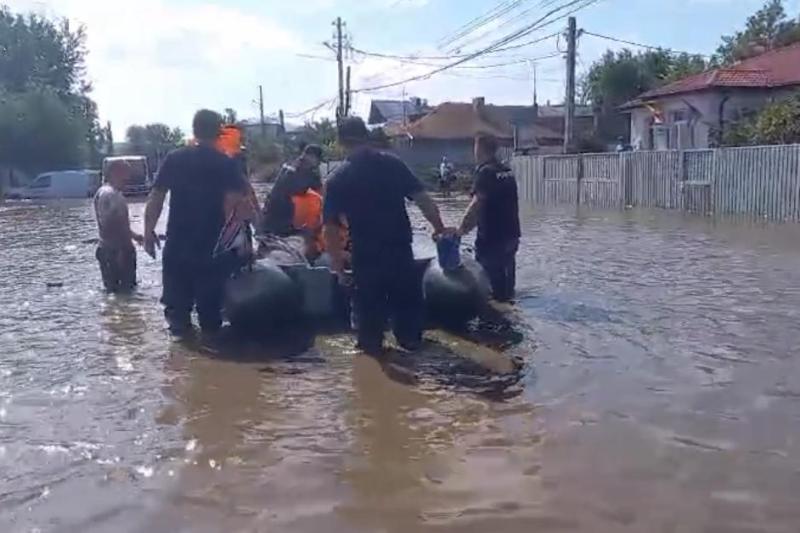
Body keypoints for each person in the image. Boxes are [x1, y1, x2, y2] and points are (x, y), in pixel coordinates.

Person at [323, 116, 452, 355]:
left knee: (370, 337)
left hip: (366, 256)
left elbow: (329, 229)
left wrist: (339, 269)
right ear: (366, 136)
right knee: (410, 330)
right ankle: (420, 372)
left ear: (341, 142)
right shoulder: (394, 165)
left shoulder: (338, 178)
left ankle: (375, 379)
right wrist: (439, 228)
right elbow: (423, 199)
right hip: (400, 251)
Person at [143, 109, 247, 336]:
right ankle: (211, 362)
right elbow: (234, 208)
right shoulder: (227, 164)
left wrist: (148, 232)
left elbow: (156, 197)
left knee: (177, 315)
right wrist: (243, 245)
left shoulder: (174, 159)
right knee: (211, 317)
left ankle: (182, 362)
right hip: (212, 249)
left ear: (194, 130)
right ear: (219, 133)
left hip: (177, 246)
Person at [457, 134, 521, 303]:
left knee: (490, 289)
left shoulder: (485, 172)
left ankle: (496, 321)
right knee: (507, 284)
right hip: (512, 235)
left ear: (480, 149)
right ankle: (511, 314)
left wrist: (460, 231)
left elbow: (476, 205)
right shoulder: (506, 171)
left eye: (475, 148)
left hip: (492, 238)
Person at [94, 160, 142, 293]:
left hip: (105, 249)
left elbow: (115, 224)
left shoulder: (102, 192)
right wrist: (121, 250)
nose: (129, 178)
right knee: (126, 293)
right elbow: (112, 225)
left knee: (112, 292)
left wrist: (135, 236)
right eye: (126, 173)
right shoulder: (113, 195)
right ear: (115, 173)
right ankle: (125, 313)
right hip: (118, 251)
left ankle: (114, 312)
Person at [260, 144, 323, 236]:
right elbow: (324, 194)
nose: (319, 163)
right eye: (318, 160)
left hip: (269, 216)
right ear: (311, 157)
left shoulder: (288, 165)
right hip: (283, 218)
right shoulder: (310, 173)